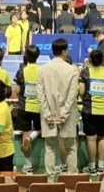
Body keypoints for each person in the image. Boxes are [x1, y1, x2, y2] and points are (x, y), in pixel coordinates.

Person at [36, 38, 79, 182]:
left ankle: (50, 181)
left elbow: (40, 94)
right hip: (67, 116)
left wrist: (47, 113)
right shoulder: (72, 70)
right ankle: (72, 180)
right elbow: (72, 95)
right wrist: (64, 114)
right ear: (64, 52)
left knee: (50, 148)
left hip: (49, 115)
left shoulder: (42, 69)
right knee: (71, 147)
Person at [79, 48, 104, 175]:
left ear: (90, 60)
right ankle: (101, 167)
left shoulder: (85, 71)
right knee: (102, 137)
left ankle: (92, 168)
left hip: (89, 110)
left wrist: (85, 98)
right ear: (102, 60)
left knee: (90, 139)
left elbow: (81, 91)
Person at [13, 45, 42, 174]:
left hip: (24, 107)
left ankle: (28, 166)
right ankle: (31, 138)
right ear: (37, 56)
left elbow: (17, 90)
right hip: (38, 107)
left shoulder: (22, 71)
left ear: (26, 56)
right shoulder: (41, 71)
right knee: (40, 129)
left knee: (25, 132)